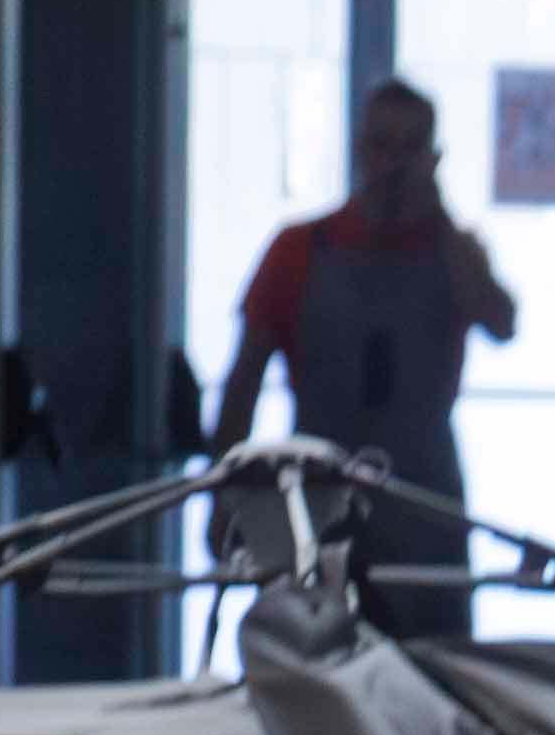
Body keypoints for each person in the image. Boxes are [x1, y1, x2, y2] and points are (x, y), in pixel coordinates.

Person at [213, 80, 518, 643]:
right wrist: (225, 498)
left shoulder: (457, 253)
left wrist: (440, 219)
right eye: (381, 145)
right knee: (310, 674)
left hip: (425, 502)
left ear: (433, 156)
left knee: (436, 674)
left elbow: (502, 323)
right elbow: (242, 383)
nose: (393, 163)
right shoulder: (297, 249)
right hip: (315, 500)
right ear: (359, 150)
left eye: (410, 147)